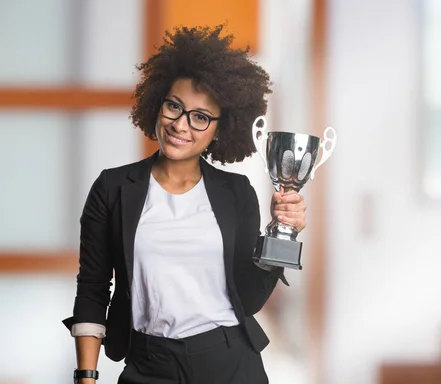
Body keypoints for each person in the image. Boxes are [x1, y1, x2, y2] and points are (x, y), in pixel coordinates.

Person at [62, 25, 307, 384]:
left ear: (219, 129)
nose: (181, 125)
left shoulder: (236, 192)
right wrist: (86, 376)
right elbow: (93, 287)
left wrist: (284, 235)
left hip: (229, 361)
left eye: (200, 117)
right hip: (148, 364)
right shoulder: (113, 188)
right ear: (157, 103)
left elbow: (250, 297)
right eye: (174, 106)